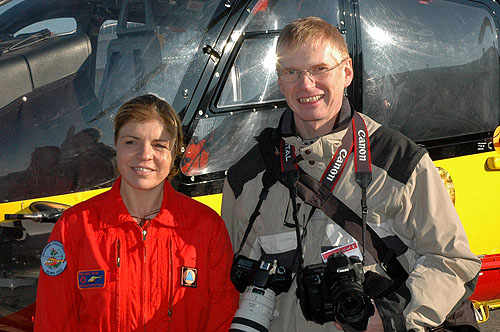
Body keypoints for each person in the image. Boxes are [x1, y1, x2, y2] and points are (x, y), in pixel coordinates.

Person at [221, 17, 481, 332]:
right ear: (279, 80)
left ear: (346, 72)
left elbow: (453, 260)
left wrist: (391, 318)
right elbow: (230, 285)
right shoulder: (246, 178)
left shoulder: (399, 160)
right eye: (292, 72)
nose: (306, 85)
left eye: (320, 69)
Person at [35, 94, 238, 331]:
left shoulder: (206, 227)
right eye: (131, 142)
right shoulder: (75, 227)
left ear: (174, 154)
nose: (144, 154)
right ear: (116, 147)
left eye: (159, 145)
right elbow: (53, 320)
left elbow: (223, 317)